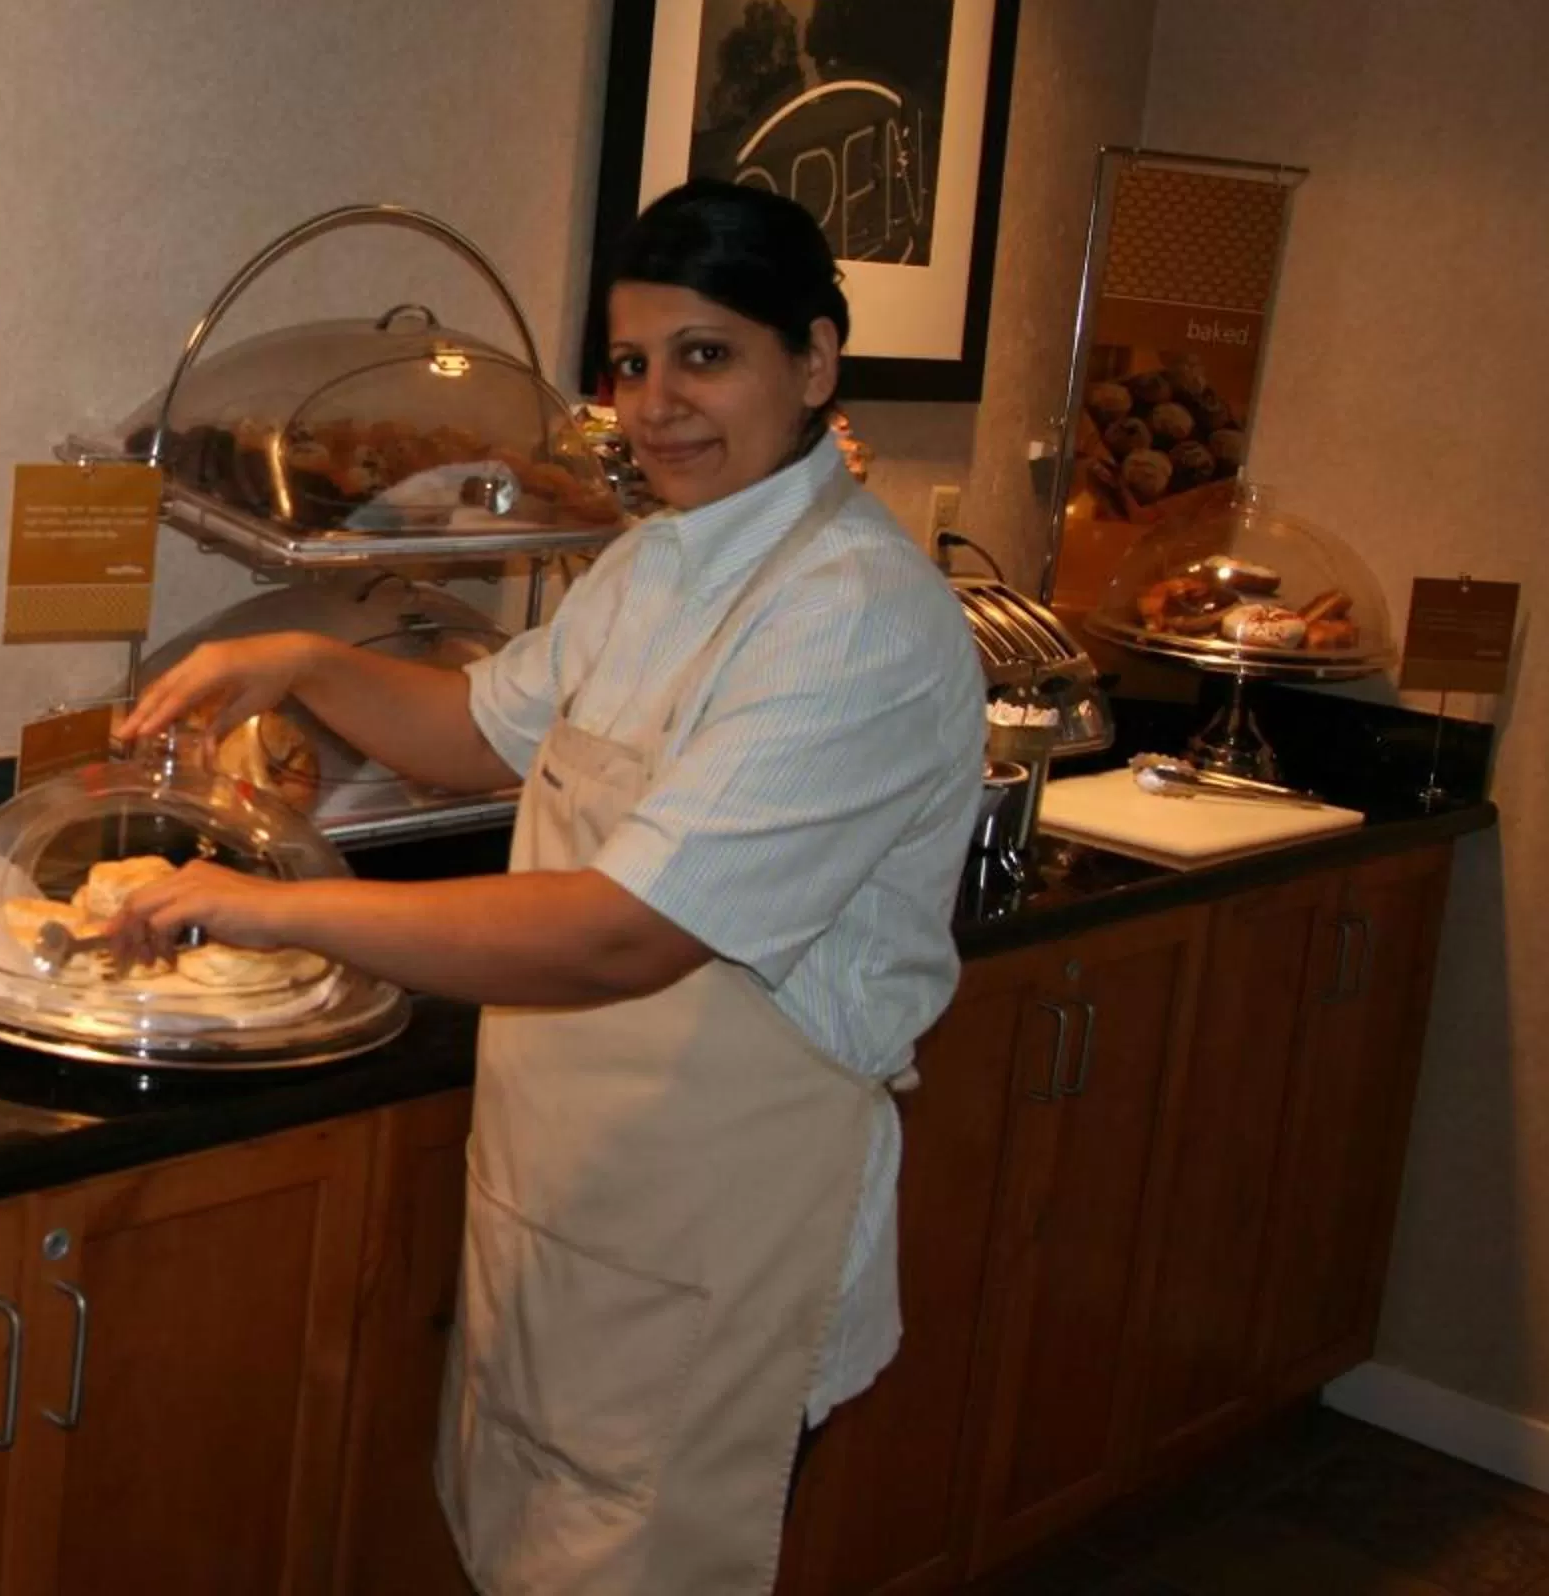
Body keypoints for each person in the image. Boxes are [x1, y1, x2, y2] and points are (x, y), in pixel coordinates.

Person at [113, 179, 984, 1594]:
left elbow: (616, 938)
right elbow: (476, 735)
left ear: (814, 362)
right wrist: (304, 664)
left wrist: (267, 903)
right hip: (570, 1202)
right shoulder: (653, 568)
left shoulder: (850, 620)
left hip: (719, 1232)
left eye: (708, 356)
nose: (658, 406)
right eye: (633, 366)